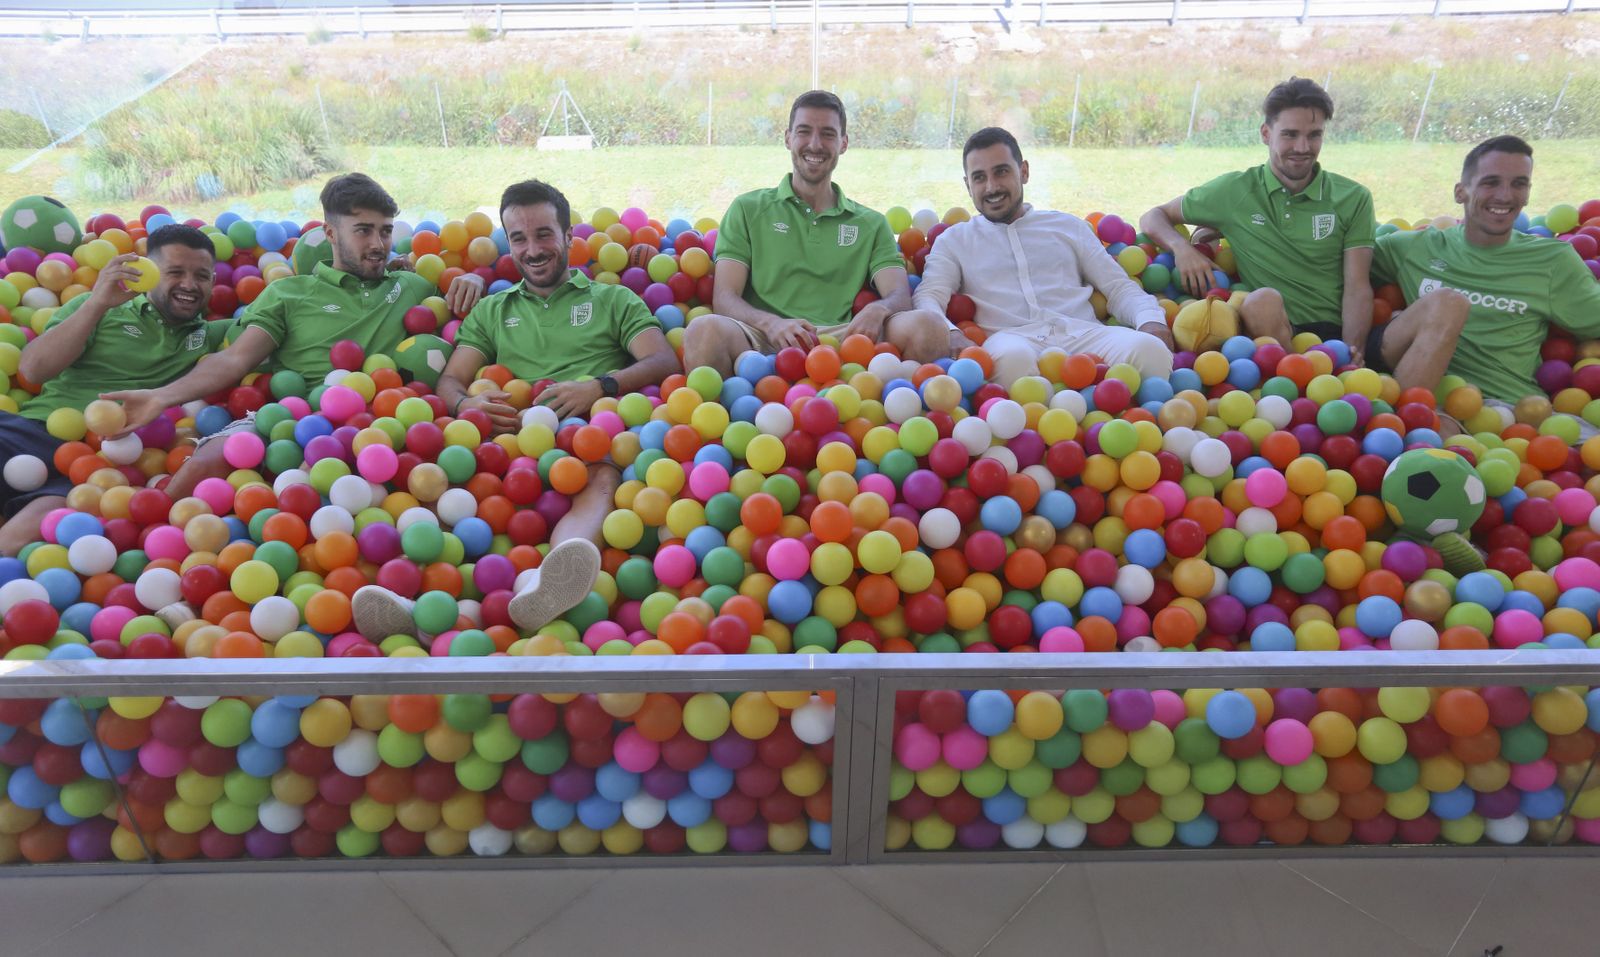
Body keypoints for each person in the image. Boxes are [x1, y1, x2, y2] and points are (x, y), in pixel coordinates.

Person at [351, 179, 680, 643]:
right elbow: (450, 380)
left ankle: (548, 584)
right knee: (445, 474)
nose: (533, 249)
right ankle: (414, 597)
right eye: (519, 238)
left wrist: (599, 386)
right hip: (504, 444)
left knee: (603, 474)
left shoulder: (612, 300)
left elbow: (663, 359)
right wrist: (467, 403)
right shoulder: (491, 310)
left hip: (582, 438)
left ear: (569, 237)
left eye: (544, 234)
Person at [103, 173, 485, 497]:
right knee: (203, 466)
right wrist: (160, 397)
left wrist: (472, 278)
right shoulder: (289, 293)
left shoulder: (412, 286)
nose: (378, 244)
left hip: (388, 419)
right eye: (363, 231)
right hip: (292, 417)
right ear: (331, 233)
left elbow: (476, 316)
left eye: (385, 232)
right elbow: (236, 359)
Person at [681, 90, 951, 376]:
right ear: (787, 138)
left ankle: (897, 417)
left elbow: (899, 295)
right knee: (702, 330)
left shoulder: (871, 223)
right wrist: (771, 323)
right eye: (804, 131)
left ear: (844, 143)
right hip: (760, 339)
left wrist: (878, 310)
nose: (815, 144)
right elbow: (724, 298)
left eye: (828, 134)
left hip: (846, 339)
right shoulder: (747, 209)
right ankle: (724, 419)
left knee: (930, 327)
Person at [0, 225, 227, 554]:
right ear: (147, 273)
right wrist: (97, 304)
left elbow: (260, 339)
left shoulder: (212, 336)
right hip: (30, 431)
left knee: (45, 524)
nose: (189, 285)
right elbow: (34, 369)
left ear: (214, 282)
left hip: (99, 463)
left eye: (202, 275)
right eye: (175, 272)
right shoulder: (97, 308)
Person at [903, 126, 1174, 387]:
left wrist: (1150, 320)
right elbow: (928, 296)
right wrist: (951, 332)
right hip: (1011, 339)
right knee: (1011, 364)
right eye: (979, 177)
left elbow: (1118, 288)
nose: (991, 187)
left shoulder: (1068, 226)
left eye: (1001, 172)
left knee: (1151, 351)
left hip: (1084, 335)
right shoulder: (954, 240)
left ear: (1023, 172)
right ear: (967, 185)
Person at [1140, 77, 1376, 358]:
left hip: (1332, 339)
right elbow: (1153, 216)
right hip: (1273, 335)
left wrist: (1353, 352)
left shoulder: (1354, 197)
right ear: (1266, 133)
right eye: (1289, 134)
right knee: (1262, 301)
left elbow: (1358, 287)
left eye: (1314, 135)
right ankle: (1296, 381)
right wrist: (1182, 249)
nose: (1302, 147)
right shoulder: (1234, 191)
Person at [1371, 135, 1600, 421]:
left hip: (1514, 412)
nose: (1505, 195)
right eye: (1490, 182)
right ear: (1460, 192)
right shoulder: (1412, 248)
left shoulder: (1553, 260)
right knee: (1431, 447)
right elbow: (1331, 266)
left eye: (1519, 183)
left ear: (1528, 193)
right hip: (1435, 405)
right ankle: (1404, 431)